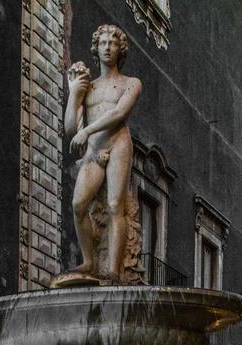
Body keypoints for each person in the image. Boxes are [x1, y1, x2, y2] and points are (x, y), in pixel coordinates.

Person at [65, 25, 141, 282]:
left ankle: (113, 269)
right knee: (78, 205)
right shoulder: (89, 88)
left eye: (113, 43)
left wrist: (87, 132)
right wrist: (74, 94)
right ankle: (89, 262)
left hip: (118, 144)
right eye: (103, 43)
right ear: (96, 49)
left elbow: (119, 114)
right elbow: (70, 129)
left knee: (113, 206)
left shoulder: (131, 84)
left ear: (121, 50)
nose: (107, 47)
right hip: (94, 150)